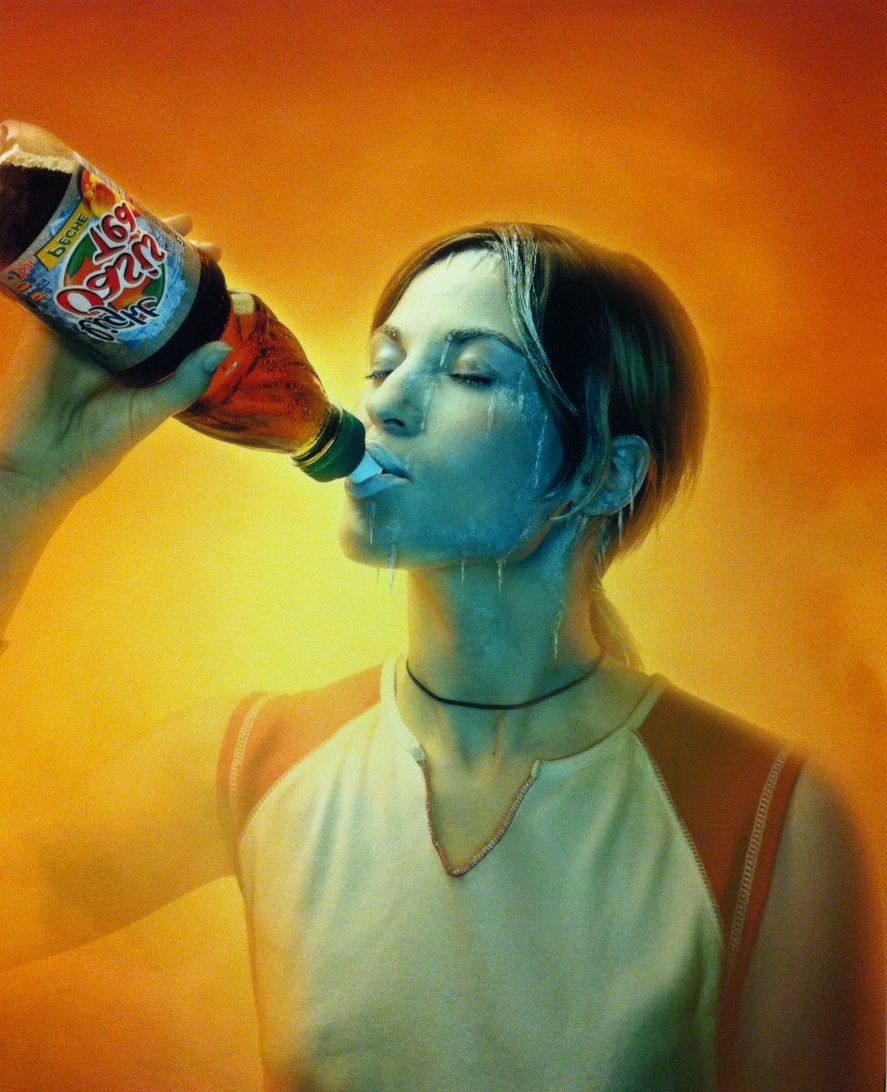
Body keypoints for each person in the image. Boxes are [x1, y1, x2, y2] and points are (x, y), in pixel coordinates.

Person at [0, 221, 883, 1091]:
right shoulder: (251, 762)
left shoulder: (765, 818)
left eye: (470, 373)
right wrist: (21, 480)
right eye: (383, 364)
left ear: (602, 474)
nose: (385, 404)